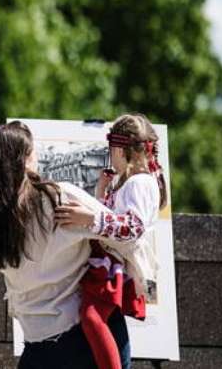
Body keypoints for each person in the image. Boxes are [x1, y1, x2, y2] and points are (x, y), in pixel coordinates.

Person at [0, 121, 138, 368]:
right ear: (24, 160)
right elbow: (129, 234)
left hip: (37, 346)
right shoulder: (57, 198)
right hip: (87, 335)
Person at [54, 114, 165, 369]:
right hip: (111, 259)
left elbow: (132, 228)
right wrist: (102, 194)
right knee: (100, 319)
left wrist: (90, 218)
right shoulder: (130, 182)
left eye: (111, 150)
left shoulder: (139, 183)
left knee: (92, 318)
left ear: (119, 149)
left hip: (116, 263)